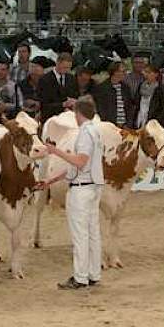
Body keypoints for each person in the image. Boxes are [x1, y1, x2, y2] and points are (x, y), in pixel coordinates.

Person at [43, 97, 104, 290]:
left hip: (82, 188)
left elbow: (79, 161)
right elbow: (77, 165)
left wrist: (56, 151)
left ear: (78, 113)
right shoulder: (96, 130)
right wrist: (51, 180)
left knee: (81, 235)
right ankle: (93, 273)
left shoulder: (85, 133)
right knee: (93, 233)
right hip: (93, 185)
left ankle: (80, 277)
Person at [93, 62, 136, 129]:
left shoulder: (126, 88)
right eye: (123, 71)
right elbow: (101, 109)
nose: (125, 74)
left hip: (125, 126)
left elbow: (129, 107)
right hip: (109, 126)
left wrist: (128, 124)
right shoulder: (102, 88)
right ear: (115, 72)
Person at [39, 52, 79, 123]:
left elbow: (76, 95)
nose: (67, 70)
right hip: (51, 120)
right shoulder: (44, 80)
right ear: (57, 63)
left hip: (69, 119)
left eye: (69, 68)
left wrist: (73, 102)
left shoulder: (71, 78)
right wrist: (62, 105)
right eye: (64, 67)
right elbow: (44, 106)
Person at [136, 64, 164, 128]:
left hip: (153, 120)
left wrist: (156, 121)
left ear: (156, 74)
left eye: (149, 72)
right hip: (140, 116)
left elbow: (163, 108)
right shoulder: (141, 86)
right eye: (145, 72)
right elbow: (136, 102)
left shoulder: (161, 89)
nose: (146, 75)